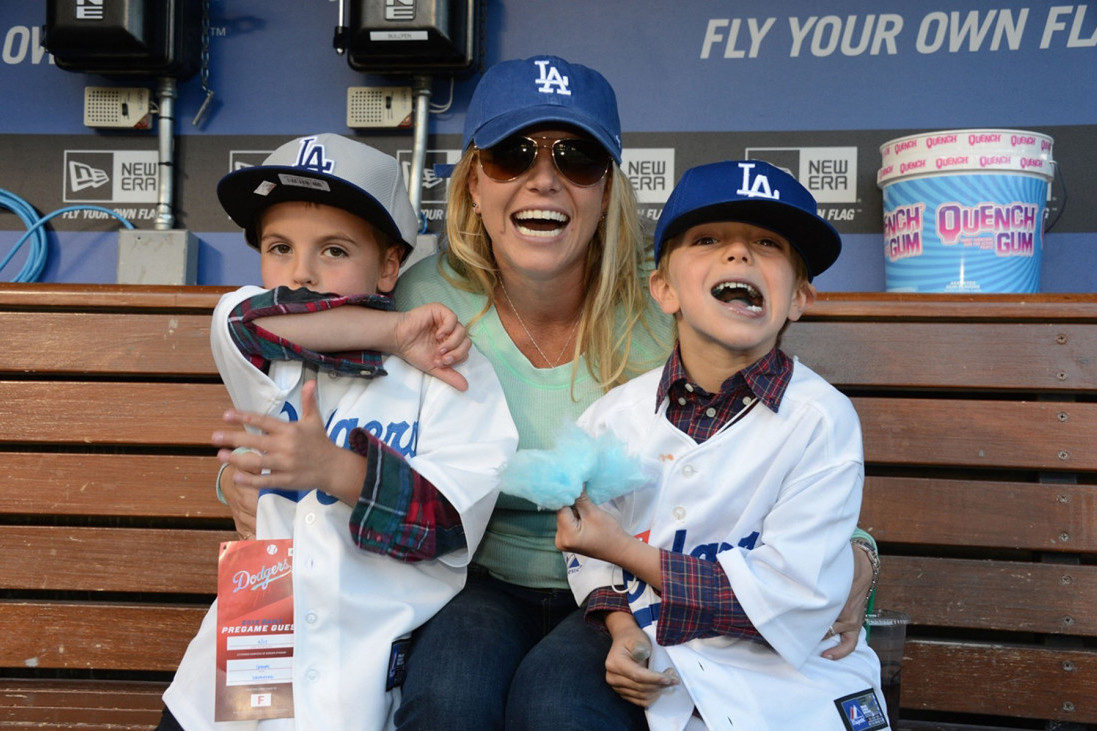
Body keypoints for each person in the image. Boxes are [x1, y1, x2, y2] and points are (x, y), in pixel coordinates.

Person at [387, 56, 878, 730]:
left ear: (608, 189)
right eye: (511, 154)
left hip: (636, 589)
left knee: (558, 704)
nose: (544, 179)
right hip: (483, 578)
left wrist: (857, 554)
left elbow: (770, 456)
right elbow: (350, 424)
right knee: (449, 701)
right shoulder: (423, 300)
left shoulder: (675, 303)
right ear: (474, 182)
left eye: (578, 157)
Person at [158, 133, 519, 730]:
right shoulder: (258, 343)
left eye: (332, 250)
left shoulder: (452, 371)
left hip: (364, 671)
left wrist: (336, 472)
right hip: (246, 653)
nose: (300, 272)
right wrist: (394, 332)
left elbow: (448, 525)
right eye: (279, 247)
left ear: (387, 265)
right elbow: (251, 319)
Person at [555, 159, 888, 729]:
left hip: (795, 681)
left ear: (798, 299)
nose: (739, 255)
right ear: (663, 288)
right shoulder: (613, 416)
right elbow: (588, 553)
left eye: (768, 243)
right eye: (708, 240)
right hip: (663, 663)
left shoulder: (822, 419)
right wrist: (621, 626)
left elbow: (791, 601)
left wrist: (630, 552)